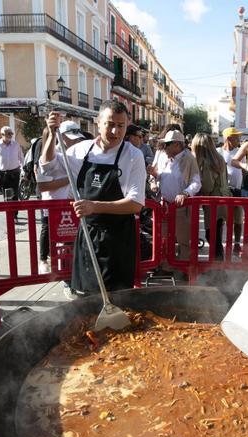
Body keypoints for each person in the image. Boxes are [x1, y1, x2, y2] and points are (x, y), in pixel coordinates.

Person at [41, 102, 146, 295]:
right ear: (98, 123)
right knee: (86, 296)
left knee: (118, 297)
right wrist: (50, 134)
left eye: (121, 126)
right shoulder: (81, 150)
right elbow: (48, 166)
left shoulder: (133, 156)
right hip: (88, 235)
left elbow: (135, 204)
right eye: (110, 124)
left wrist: (94, 206)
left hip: (119, 237)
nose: (115, 131)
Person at [34, 122, 84, 274]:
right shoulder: (50, 154)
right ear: (61, 137)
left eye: (77, 138)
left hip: (71, 205)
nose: (76, 142)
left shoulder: (78, 154)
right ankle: (43, 260)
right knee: (47, 231)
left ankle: (67, 271)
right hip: (52, 204)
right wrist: (71, 178)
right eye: (71, 138)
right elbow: (42, 186)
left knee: (70, 240)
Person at [153, 129, 201, 259]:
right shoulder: (165, 157)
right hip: (164, 205)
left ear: (177, 145)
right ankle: (166, 265)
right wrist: (154, 176)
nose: (164, 148)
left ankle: (184, 267)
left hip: (181, 206)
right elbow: (163, 177)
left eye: (167, 145)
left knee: (183, 239)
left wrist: (185, 193)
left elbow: (196, 183)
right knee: (164, 237)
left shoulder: (189, 159)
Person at [193, 132, 231, 259]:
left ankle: (218, 269)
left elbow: (207, 186)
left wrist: (197, 196)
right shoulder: (219, 158)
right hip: (223, 199)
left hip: (213, 202)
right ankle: (219, 267)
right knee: (217, 235)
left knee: (212, 236)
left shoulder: (206, 161)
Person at [218, 127, 244, 255]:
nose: (239, 139)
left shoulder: (241, 152)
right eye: (237, 137)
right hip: (222, 191)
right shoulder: (218, 152)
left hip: (237, 190)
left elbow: (244, 171)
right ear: (229, 138)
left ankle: (237, 244)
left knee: (238, 219)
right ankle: (223, 244)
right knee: (222, 218)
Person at [0, 126, 24, 202]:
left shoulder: (16, 145)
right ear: (2, 134)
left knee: (15, 195)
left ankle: (14, 213)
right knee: (6, 195)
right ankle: (9, 212)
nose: (11, 135)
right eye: (8, 133)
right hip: (2, 174)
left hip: (14, 173)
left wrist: (23, 170)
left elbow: (21, 158)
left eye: (11, 133)